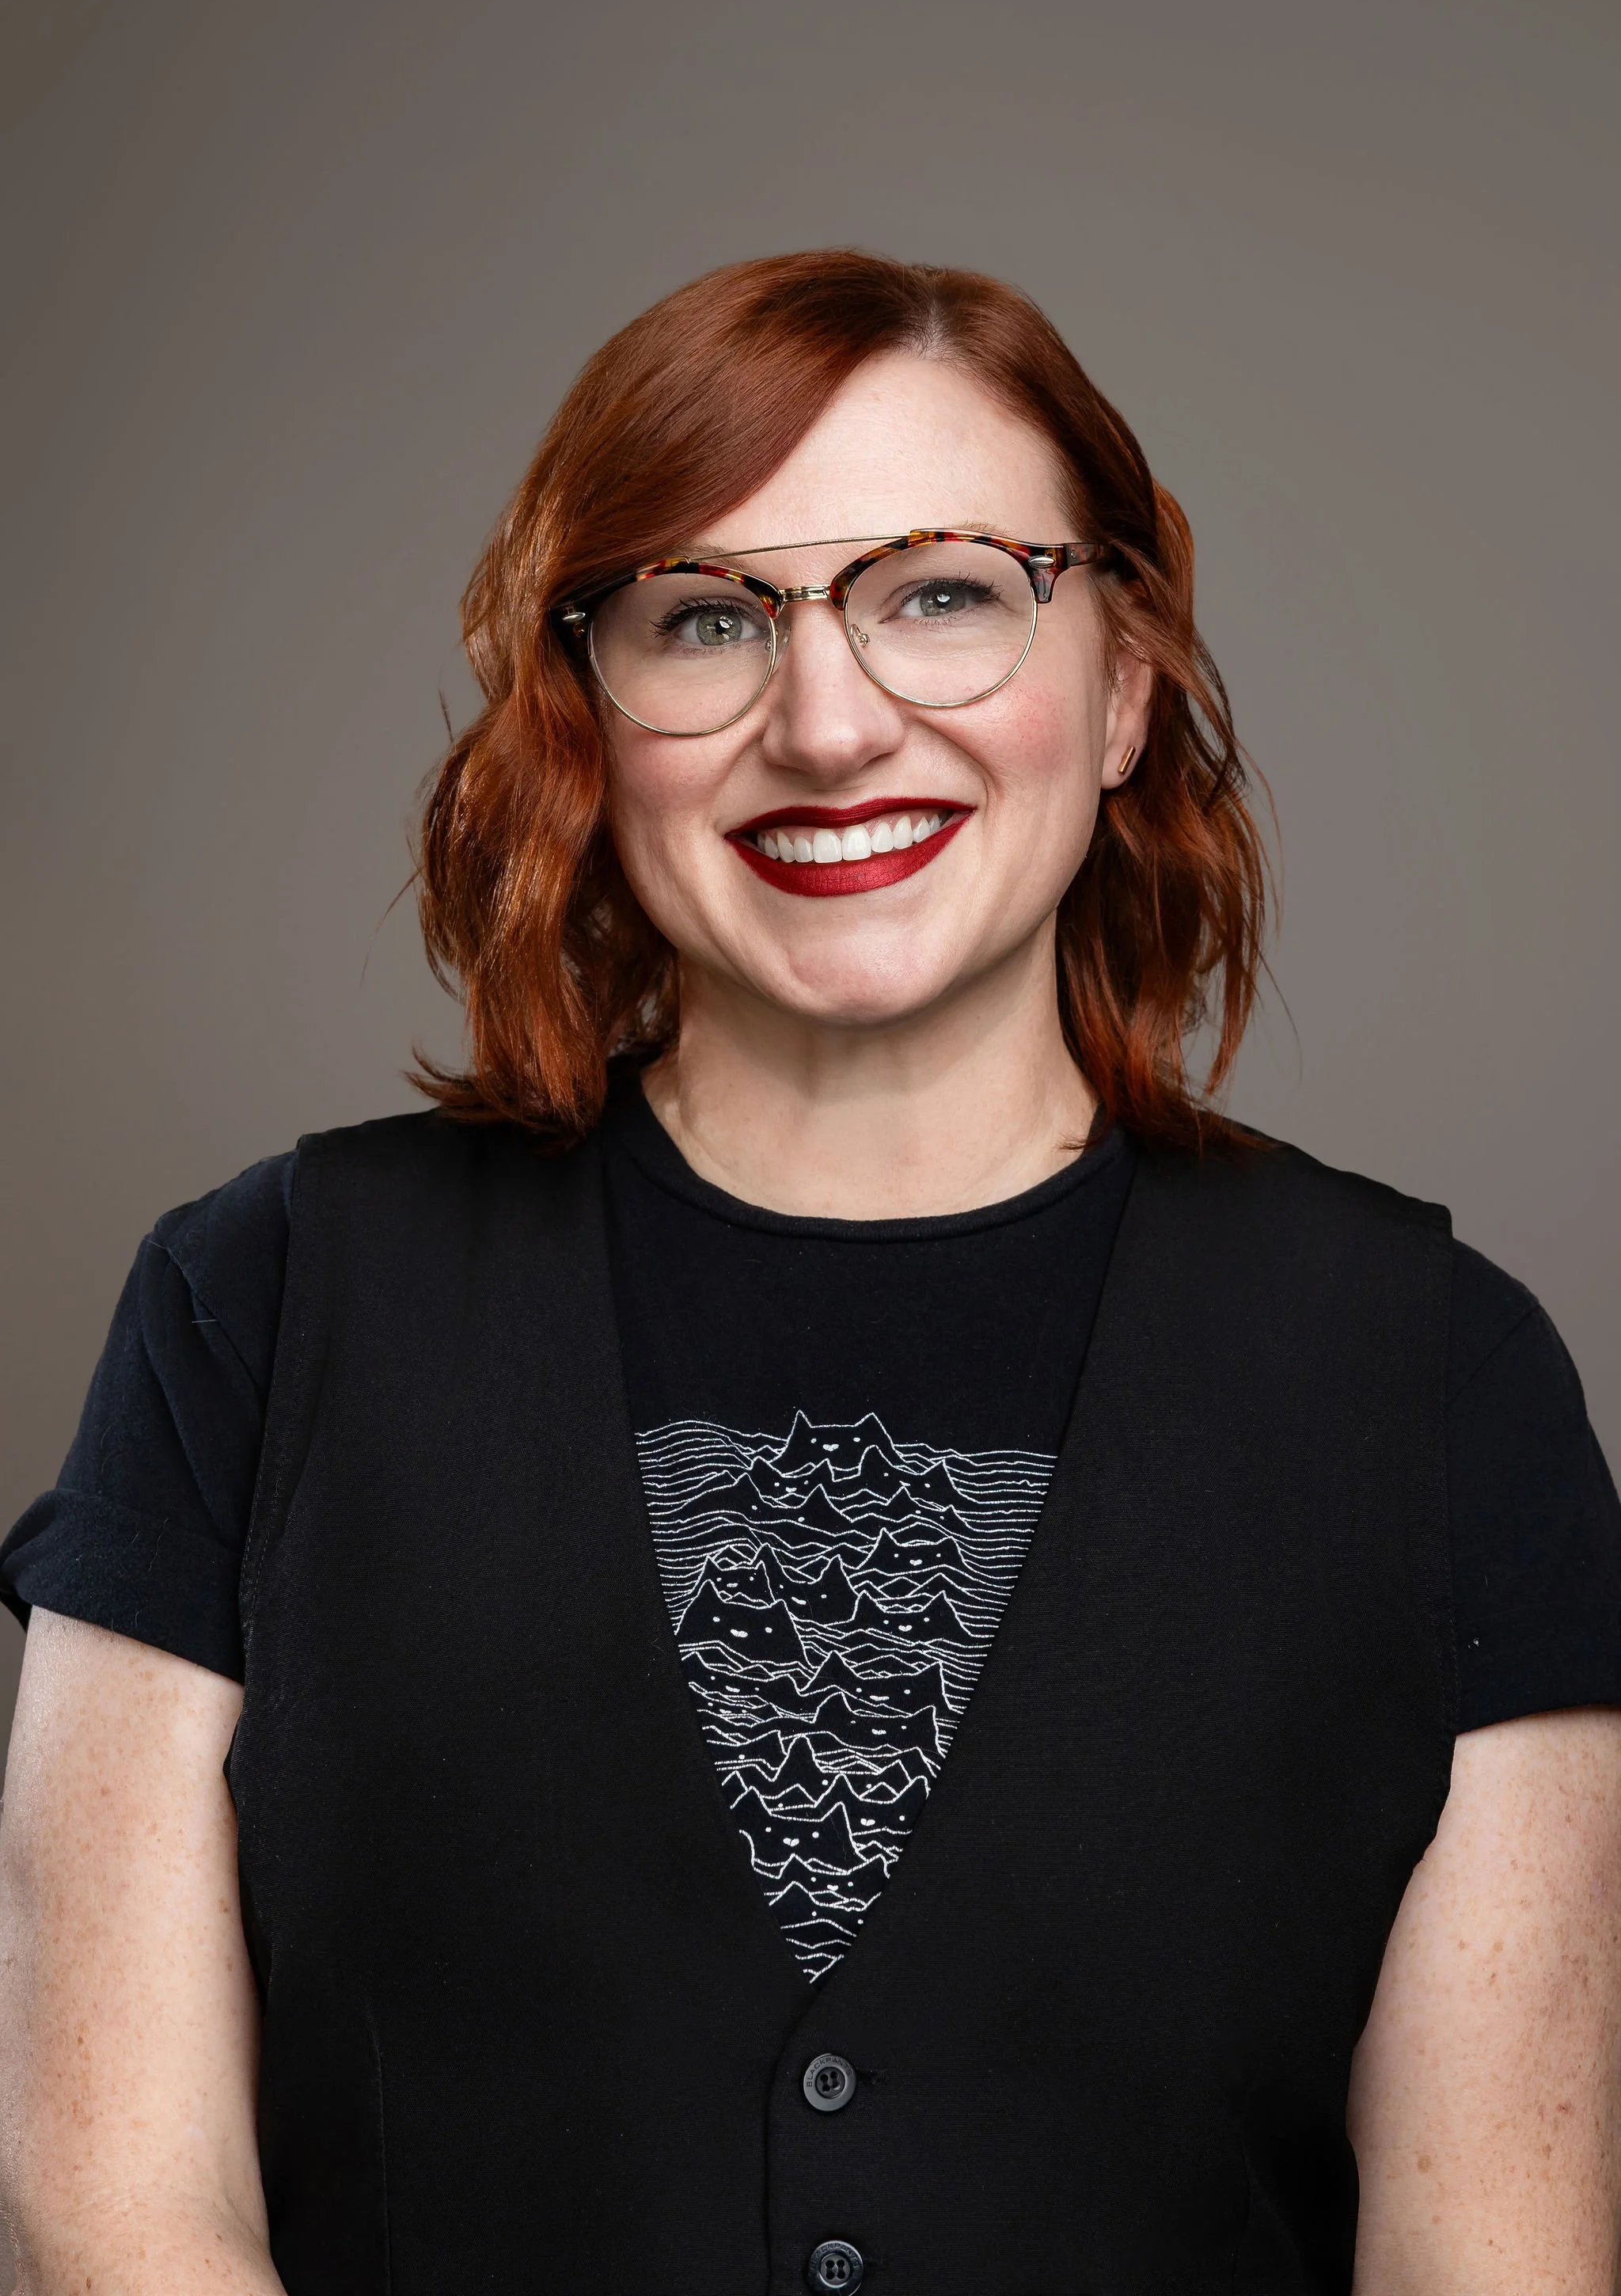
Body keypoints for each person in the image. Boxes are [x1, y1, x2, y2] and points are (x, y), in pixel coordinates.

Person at [1, 250, 1618, 2296]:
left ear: (1122, 683)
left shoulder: (1439, 1382)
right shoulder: (257, 1312)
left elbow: (1497, 2264)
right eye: (707, 618)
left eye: (944, 591)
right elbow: (111, 2218)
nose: (830, 723)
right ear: (590, 716)